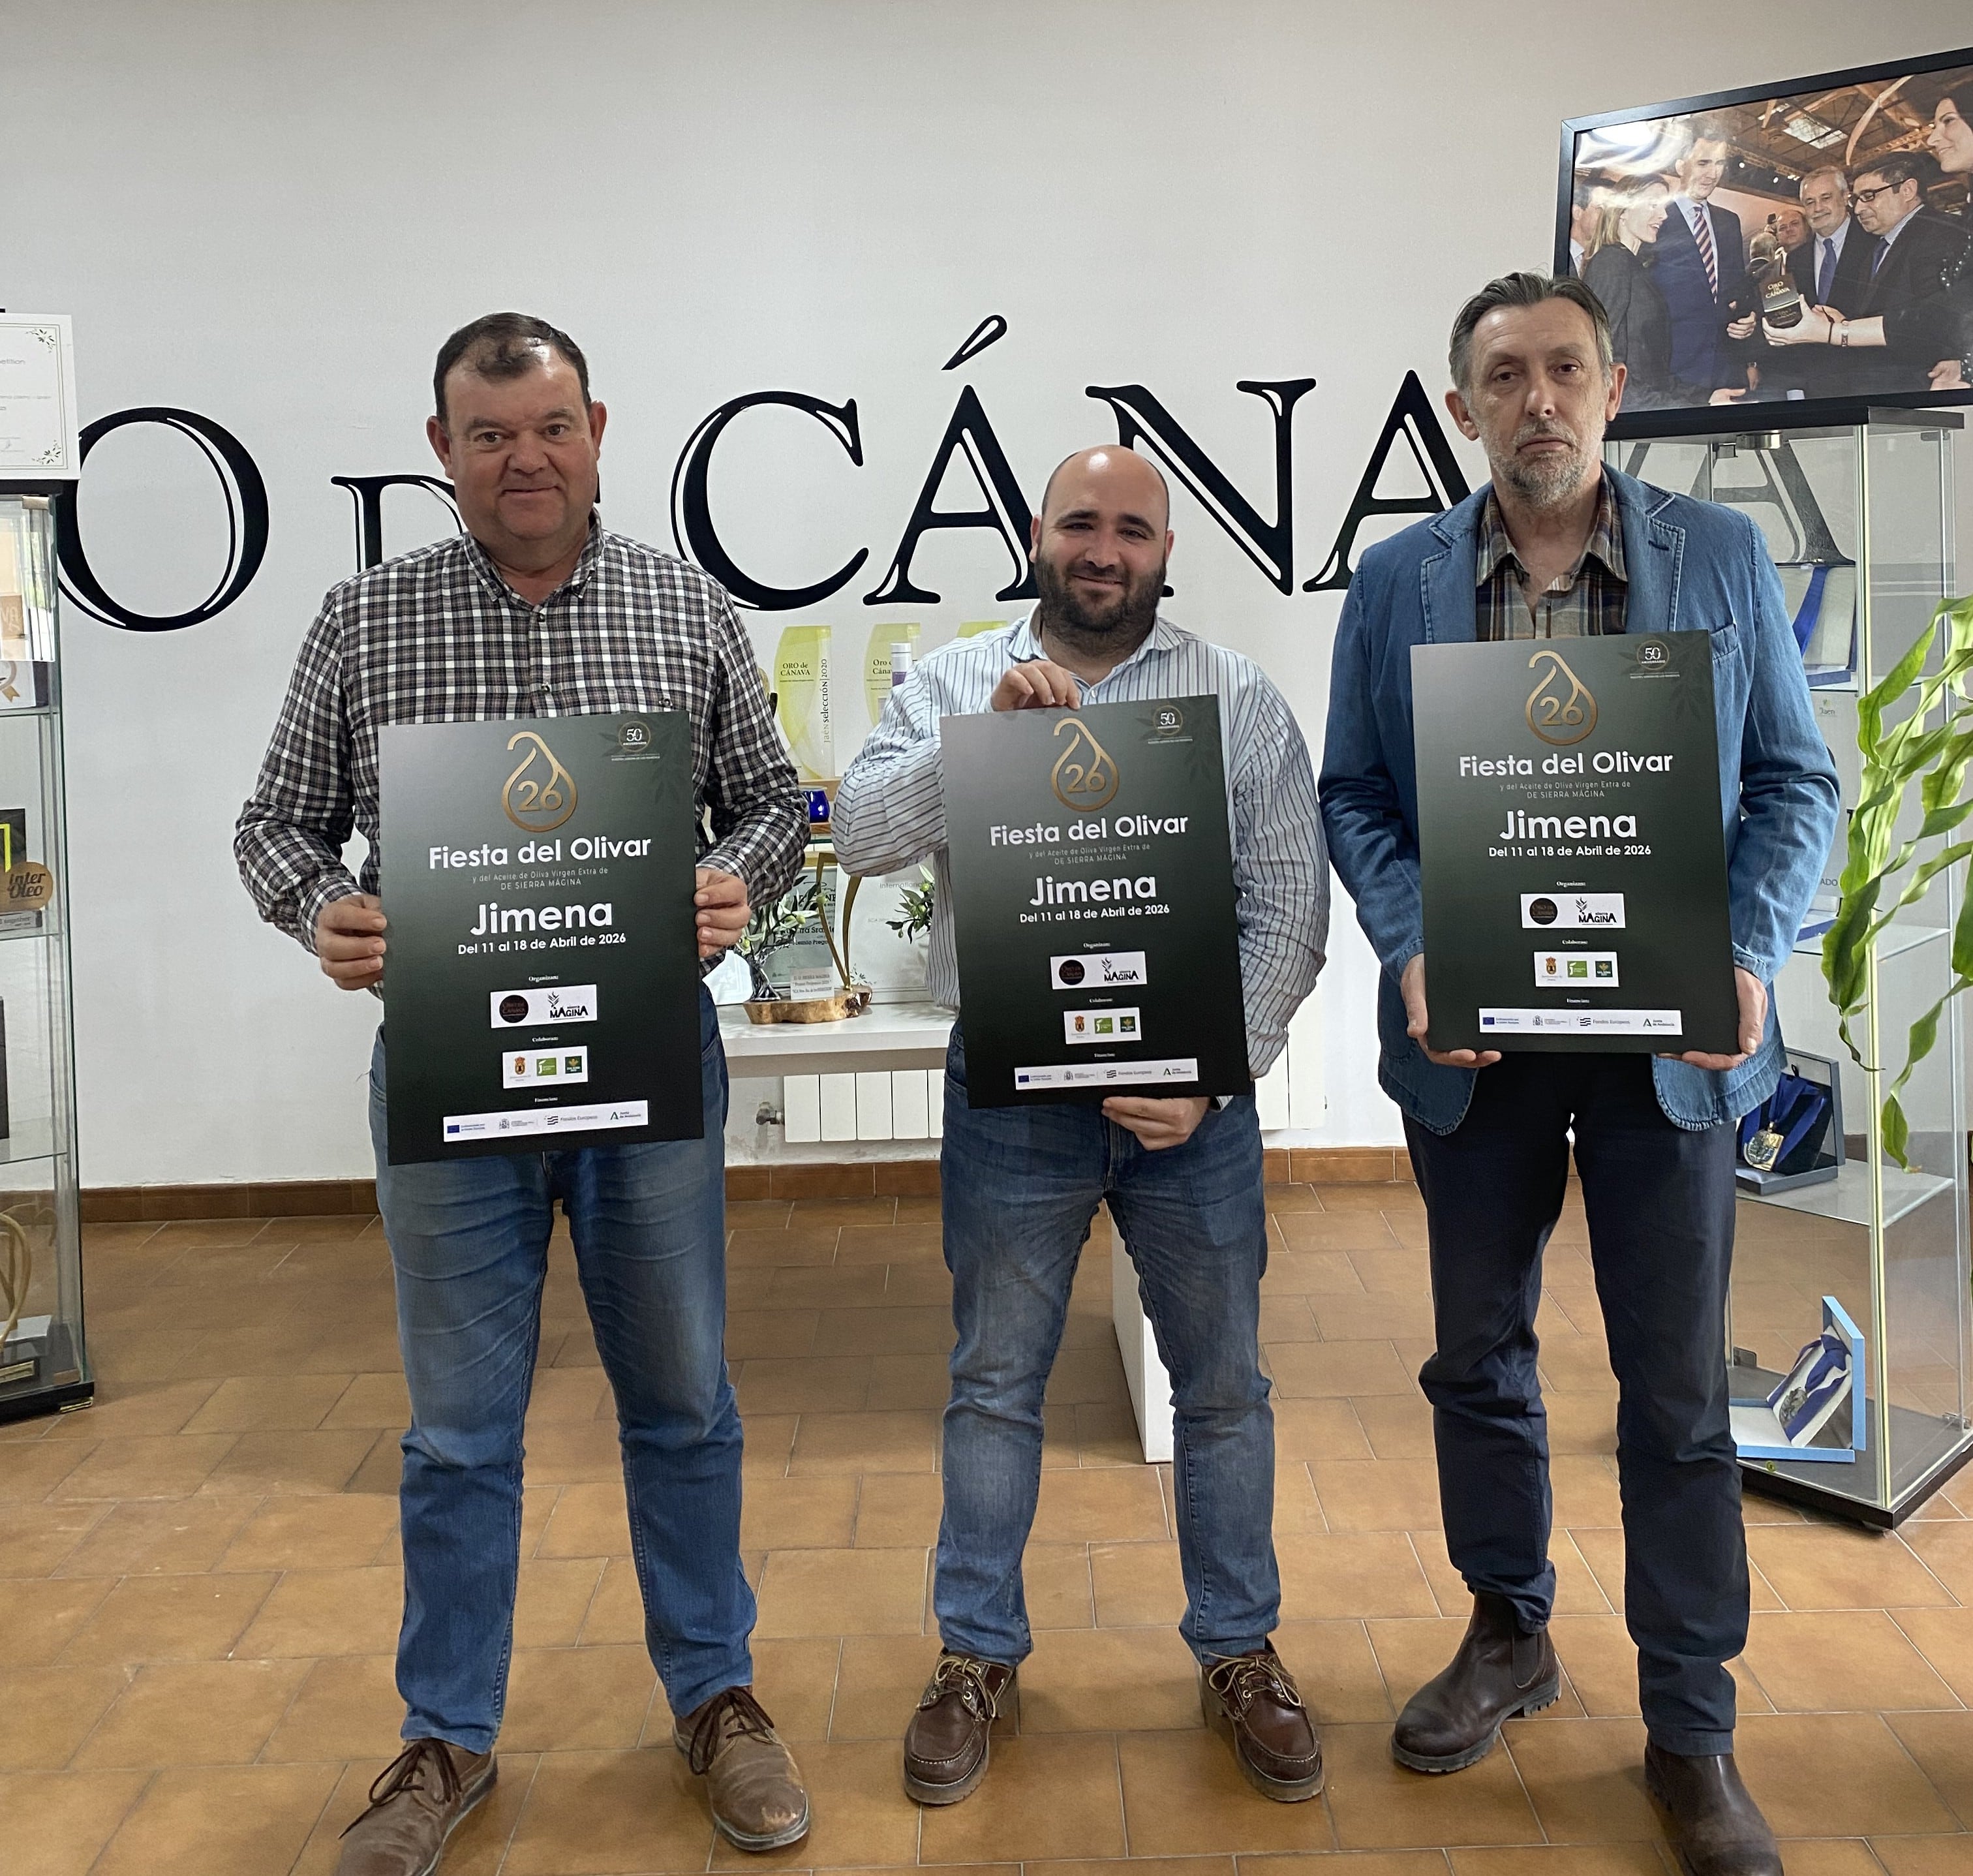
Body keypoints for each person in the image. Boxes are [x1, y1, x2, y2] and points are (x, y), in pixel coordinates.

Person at [235, 314, 814, 1873]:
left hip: (645, 1066)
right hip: (448, 1073)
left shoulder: (682, 607)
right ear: (442, 449)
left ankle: (716, 1695)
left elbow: (773, 801)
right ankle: (446, 1739)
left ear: (598, 425)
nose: (524, 458)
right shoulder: (364, 621)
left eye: (549, 424)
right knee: (458, 1427)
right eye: (489, 434)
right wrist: (323, 912)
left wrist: (730, 878)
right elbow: (273, 825)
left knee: (683, 1396)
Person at [1318, 273, 1837, 1876]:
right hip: (1471, 1042)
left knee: (1676, 1395)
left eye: (1565, 369)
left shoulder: (1721, 556)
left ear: (1615, 388)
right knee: (1477, 1359)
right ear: (1462, 404)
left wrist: (1747, 947)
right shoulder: (1400, 580)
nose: (1537, 399)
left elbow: (1793, 781)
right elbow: (1357, 795)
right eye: (1503, 376)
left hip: (1663, 1049)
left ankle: (1692, 1724)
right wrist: (1409, 936)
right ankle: (1509, 1628)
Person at [834, 446, 1327, 1808]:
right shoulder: (949, 681)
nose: (1102, 548)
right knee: (995, 1382)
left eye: (1131, 528)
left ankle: (1240, 1650)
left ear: (1166, 551)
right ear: (1035, 535)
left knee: (1223, 1387)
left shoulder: (1234, 696)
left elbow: (1289, 900)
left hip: (1190, 1115)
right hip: (1013, 1104)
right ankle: (974, 1655)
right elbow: (861, 833)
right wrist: (983, 744)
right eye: (1078, 523)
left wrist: (1223, 1073)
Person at [1765, 100, 1973, 391]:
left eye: (1870, 196)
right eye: (1858, 199)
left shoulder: (1941, 235)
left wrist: (1838, 331)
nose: (1860, 208)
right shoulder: (1882, 243)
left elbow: (1933, 320)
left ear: (1908, 190)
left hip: (1914, 392)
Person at [1580, 179, 1713, 408]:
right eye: (1653, 205)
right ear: (1623, 211)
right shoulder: (1612, 262)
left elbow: (1652, 373)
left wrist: (1707, 399)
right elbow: (1603, 366)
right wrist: (1684, 408)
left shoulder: (1633, 265)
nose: (1664, 215)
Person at [1651, 123, 1752, 394]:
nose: (1712, 174)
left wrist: (1746, 319)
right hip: (1675, 373)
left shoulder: (1729, 222)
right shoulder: (1656, 221)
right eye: (1703, 163)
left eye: (1719, 164)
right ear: (1681, 165)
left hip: (1727, 370)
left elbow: (1738, 288)